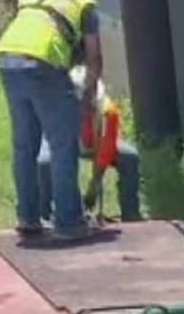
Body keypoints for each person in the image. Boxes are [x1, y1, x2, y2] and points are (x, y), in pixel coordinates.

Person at [0, 0, 104, 244]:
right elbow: (94, 56)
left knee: (24, 145)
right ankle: (69, 222)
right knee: (63, 145)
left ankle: (28, 218)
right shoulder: (84, 4)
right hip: (43, 63)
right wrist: (89, 95)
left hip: (7, 58)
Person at [36, 67, 141, 224]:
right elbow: (62, 150)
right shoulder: (59, 108)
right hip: (60, 142)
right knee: (44, 163)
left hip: (93, 143)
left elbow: (106, 149)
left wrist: (94, 183)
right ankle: (45, 217)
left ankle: (131, 214)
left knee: (130, 157)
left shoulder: (108, 112)